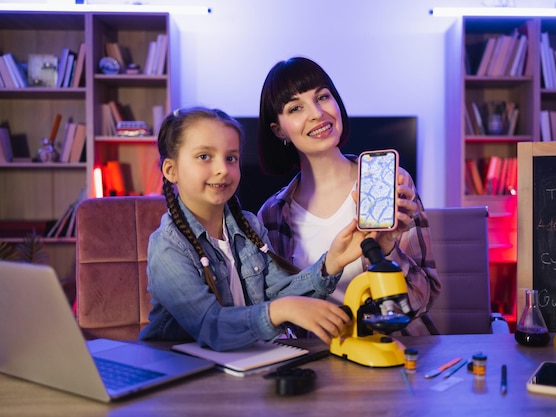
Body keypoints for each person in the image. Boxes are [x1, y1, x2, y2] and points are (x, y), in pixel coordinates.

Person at [139, 106, 370, 351]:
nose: (222, 169)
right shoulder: (167, 246)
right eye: (204, 156)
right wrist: (279, 310)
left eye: (231, 158)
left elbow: (281, 294)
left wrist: (332, 262)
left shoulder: (248, 226)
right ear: (171, 171)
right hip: (186, 376)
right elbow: (211, 327)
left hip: (243, 363)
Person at [257, 57, 442, 335]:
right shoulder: (271, 216)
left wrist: (388, 248)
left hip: (395, 355)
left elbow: (421, 300)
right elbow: (280, 313)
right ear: (279, 130)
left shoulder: (389, 184)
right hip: (318, 363)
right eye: (296, 107)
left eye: (322, 97)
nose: (317, 113)